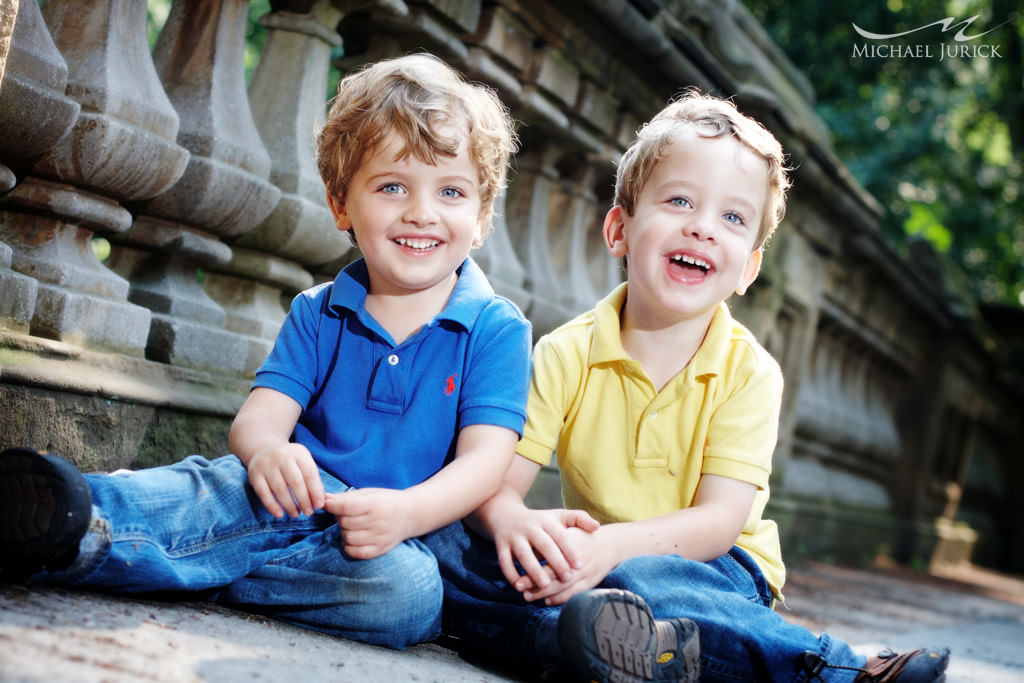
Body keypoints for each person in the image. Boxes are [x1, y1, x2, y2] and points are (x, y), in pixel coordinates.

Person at [0, 53, 531, 650]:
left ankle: (182, 566)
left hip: (388, 539)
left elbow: (485, 464)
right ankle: (74, 520)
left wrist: (408, 514)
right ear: (339, 205)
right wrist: (268, 453)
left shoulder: (495, 328)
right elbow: (260, 418)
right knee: (216, 491)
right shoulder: (319, 309)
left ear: (482, 217)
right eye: (392, 186)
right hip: (282, 502)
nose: (422, 212)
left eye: (452, 191)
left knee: (408, 597)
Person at [421, 92, 951, 682]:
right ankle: (621, 649)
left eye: (732, 219)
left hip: (714, 568)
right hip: (598, 569)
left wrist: (610, 550)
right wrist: (517, 526)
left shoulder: (748, 373)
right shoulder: (565, 352)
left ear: (748, 268)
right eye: (679, 201)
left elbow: (718, 522)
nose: (701, 228)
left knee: (641, 583)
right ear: (619, 228)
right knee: (452, 549)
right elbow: (497, 486)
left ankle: (839, 669)